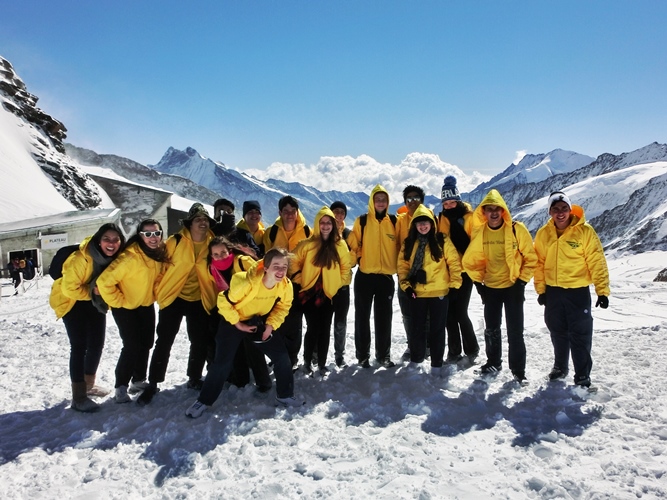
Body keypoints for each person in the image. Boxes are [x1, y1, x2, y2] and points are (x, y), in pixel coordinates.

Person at [185, 248, 305, 418]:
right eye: (276, 266)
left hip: (258, 322)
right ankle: (203, 401)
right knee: (222, 363)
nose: (280, 271)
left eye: (284, 267)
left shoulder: (285, 285)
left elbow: (283, 306)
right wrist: (238, 324)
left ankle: (285, 395)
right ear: (266, 267)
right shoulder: (246, 282)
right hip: (233, 321)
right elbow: (223, 301)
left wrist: (270, 326)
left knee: (281, 357)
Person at [137, 204, 218, 405]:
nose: (203, 222)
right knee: (164, 340)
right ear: (189, 223)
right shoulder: (176, 241)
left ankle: (194, 377)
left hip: (200, 297)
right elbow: (160, 266)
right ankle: (153, 382)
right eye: (198, 219)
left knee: (199, 341)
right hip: (174, 297)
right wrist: (159, 289)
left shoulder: (213, 243)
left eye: (205, 219)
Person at [534, 191, 610, 388]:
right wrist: (541, 290)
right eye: (556, 209)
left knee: (580, 334)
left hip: (578, 291)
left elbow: (596, 261)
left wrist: (602, 291)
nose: (560, 213)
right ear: (550, 212)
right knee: (557, 331)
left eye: (564, 208)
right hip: (553, 291)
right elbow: (539, 264)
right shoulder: (544, 234)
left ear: (570, 209)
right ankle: (560, 367)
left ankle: (582, 375)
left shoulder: (584, 232)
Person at [462, 189, 537, 383]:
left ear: (503, 211)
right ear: (484, 212)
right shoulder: (480, 233)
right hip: (491, 288)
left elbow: (531, 258)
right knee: (492, 329)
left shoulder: (516, 229)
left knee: (515, 330)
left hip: (513, 287)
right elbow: (473, 260)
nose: (494, 213)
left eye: (497, 209)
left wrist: (522, 282)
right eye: (489, 209)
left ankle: (518, 370)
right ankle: (493, 361)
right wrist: (479, 284)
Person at [49, 223, 125, 412]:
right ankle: (79, 397)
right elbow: (69, 288)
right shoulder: (81, 258)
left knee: (97, 344)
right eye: (107, 238)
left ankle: (89, 384)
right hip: (71, 302)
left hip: (93, 302)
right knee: (79, 346)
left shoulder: (112, 259)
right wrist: (95, 292)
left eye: (116, 240)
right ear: (99, 241)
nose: (111, 243)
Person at [97, 219, 168, 403]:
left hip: (145, 305)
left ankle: (138, 380)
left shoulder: (158, 254)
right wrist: (118, 302)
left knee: (146, 343)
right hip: (125, 308)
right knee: (132, 345)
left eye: (156, 233)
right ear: (140, 235)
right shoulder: (129, 257)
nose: (153, 238)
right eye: (148, 234)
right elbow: (104, 282)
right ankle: (121, 386)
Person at [397, 205, 462, 374]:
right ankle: (416, 360)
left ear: (432, 223)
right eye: (419, 223)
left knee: (437, 330)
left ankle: (436, 364)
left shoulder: (442, 240)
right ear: (414, 225)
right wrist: (406, 286)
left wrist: (455, 285)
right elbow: (403, 267)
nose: (423, 226)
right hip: (417, 292)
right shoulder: (409, 243)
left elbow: (454, 263)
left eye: (425, 222)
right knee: (417, 328)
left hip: (440, 292)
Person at [290, 206, 353, 375]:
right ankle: (307, 361)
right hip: (309, 293)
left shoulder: (339, 245)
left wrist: (336, 283)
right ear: (317, 224)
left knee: (325, 329)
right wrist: (300, 279)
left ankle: (322, 363)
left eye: (328, 223)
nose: (325, 226)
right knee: (312, 328)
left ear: (333, 225)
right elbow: (293, 263)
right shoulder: (307, 245)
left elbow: (346, 268)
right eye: (322, 222)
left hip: (329, 294)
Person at [207, 235, 271, 392]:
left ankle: (263, 382)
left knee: (253, 347)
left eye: (223, 252)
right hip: (231, 310)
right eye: (215, 254)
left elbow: (262, 280)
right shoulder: (212, 268)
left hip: (251, 310)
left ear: (229, 250)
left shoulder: (243, 261)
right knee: (234, 347)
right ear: (211, 256)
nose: (220, 257)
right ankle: (240, 379)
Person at [348, 185, 399, 368]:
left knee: (384, 318)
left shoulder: (394, 222)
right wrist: (359, 258)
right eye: (377, 199)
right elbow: (355, 245)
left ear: (387, 202)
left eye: (383, 199)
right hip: (365, 276)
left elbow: (400, 245)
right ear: (372, 201)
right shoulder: (361, 221)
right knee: (362, 317)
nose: (380, 202)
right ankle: (362, 356)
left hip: (385, 278)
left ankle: (383, 355)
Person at [263, 195, 312, 369]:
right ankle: (278, 356)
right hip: (275, 284)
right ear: (280, 212)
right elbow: (265, 257)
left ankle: (291, 359)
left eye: (293, 211)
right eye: (286, 211)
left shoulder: (307, 231)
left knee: (294, 323)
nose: (290, 215)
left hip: (297, 284)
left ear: (297, 212)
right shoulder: (272, 232)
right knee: (276, 321)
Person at [437, 176, 480, 364]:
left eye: (452, 201)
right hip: (447, 272)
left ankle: (472, 348)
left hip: (464, 272)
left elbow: (476, 244)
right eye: (445, 203)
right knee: (448, 314)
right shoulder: (442, 218)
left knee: (460, 312)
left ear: (458, 200)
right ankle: (454, 351)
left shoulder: (469, 218)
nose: (448, 205)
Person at [395, 185, 426, 361]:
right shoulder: (400, 221)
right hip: (404, 274)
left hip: (425, 274)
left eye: (416, 198)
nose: (412, 201)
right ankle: (412, 344)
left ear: (421, 200)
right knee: (407, 311)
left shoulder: (430, 218)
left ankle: (426, 345)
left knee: (425, 312)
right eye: (409, 199)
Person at [330, 201, 354, 367]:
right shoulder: (323, 232)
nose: (338, 215)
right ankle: (318, 354)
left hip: (343, 285)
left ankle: (339, 354)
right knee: (322, 323)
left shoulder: (348, 234)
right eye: (335, 211)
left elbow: (354, 259)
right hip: (324, 285)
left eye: (341, 212)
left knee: (340, 322)